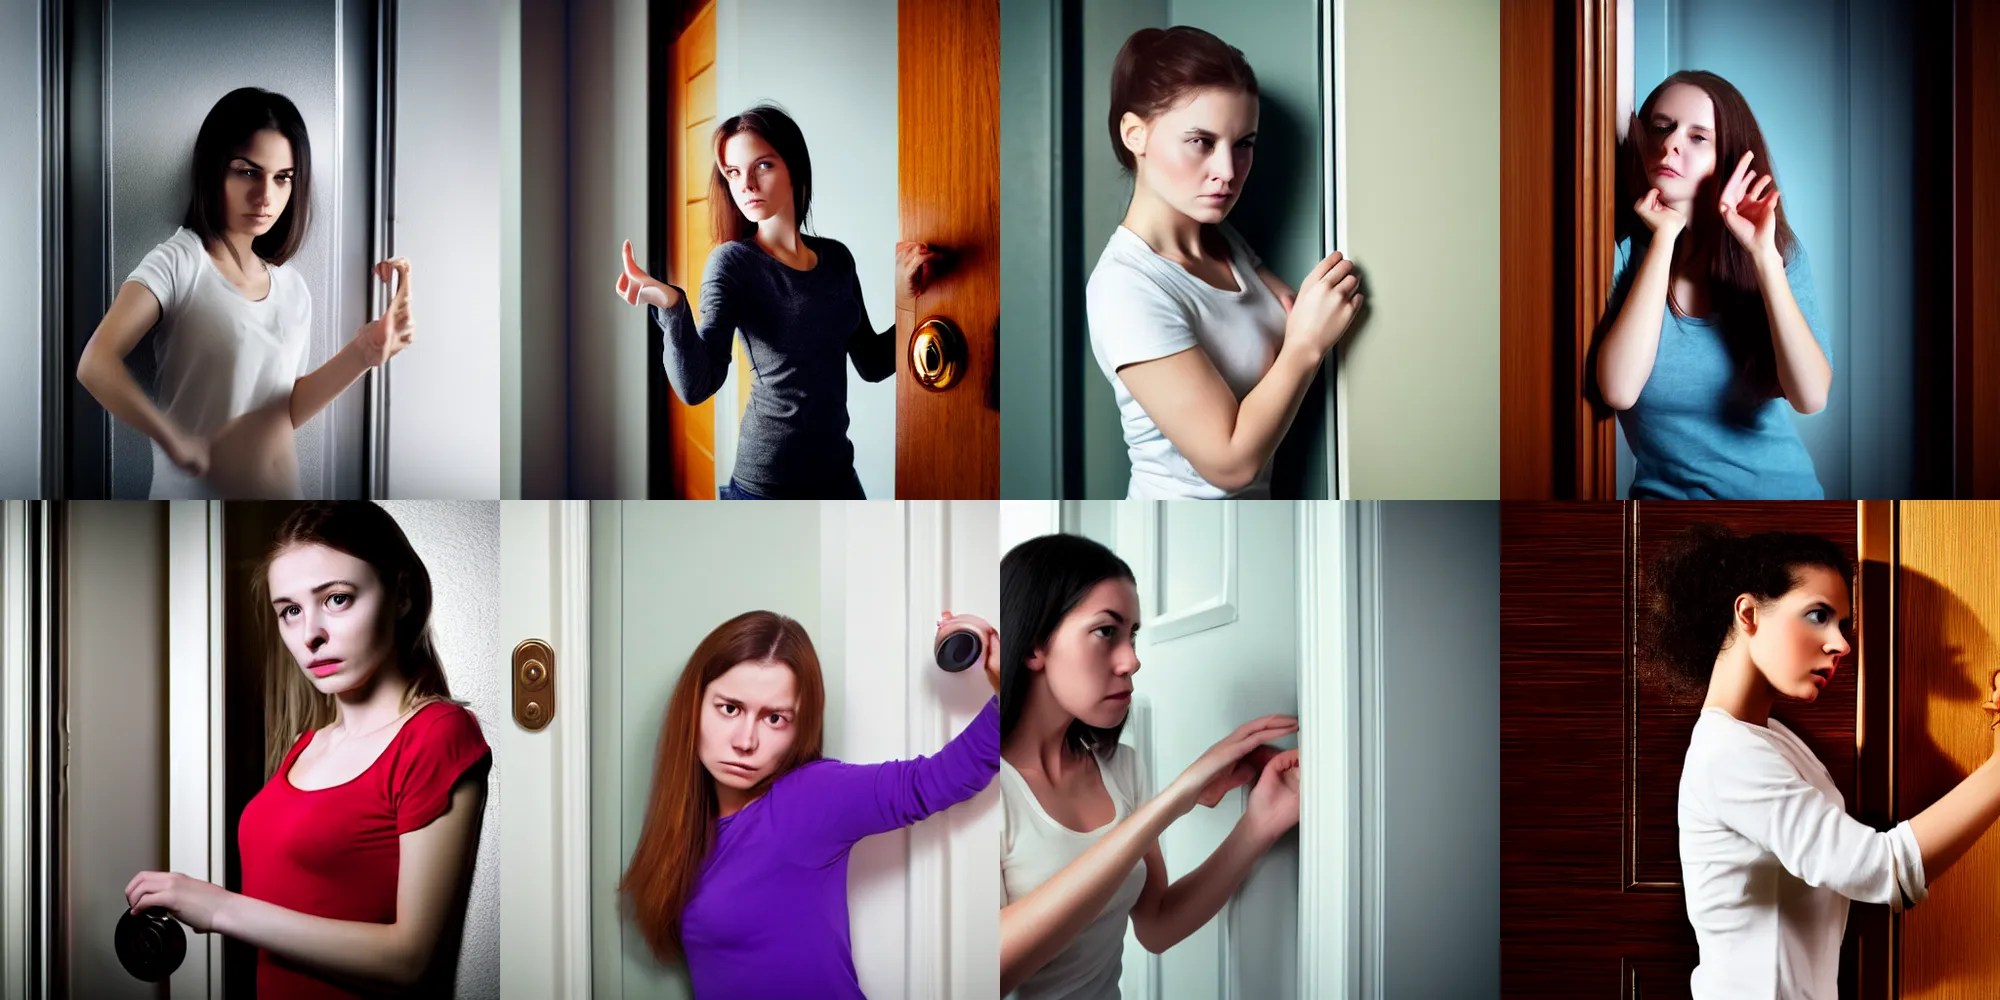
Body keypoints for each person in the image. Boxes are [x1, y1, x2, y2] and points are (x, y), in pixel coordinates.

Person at [126, 501, 490, 997]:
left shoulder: (437, 734)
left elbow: (411, 960)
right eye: (290, 611)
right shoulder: (306, 746)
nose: (310, 635)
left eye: (337, 599)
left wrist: (219, 907)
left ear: (402, 594)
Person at [1653, 523, 2000, 997]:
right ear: (1748, 613)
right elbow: (1883, 869)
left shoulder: (1773, 741)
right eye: (1818, 615)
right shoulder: (1727, 753)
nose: (1841, 644)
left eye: (1842, 625)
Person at [620, 609, 999, 997]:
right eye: (730, 709)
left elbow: (936, 780)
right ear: (695, 705)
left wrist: (1008, 683)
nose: (745, 741)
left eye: (775, 719)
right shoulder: (686, 831)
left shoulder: (806, 798)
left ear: (799, 727)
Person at [998, 533, 1300, 998]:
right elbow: (993, 974)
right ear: (1034, 645)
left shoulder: (1121, 767)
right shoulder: (981, 790)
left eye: (1133, 635)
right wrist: (1177, 798)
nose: (1132, 661)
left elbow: (1157, 924)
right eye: (1106, 632)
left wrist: (1260, 823)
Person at [76, 87, 413, 499]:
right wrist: (171, 438)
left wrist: (363, 352)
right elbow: (95, 363)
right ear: (214, 170)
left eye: (283, 178)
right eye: (248, 172)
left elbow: (283, 410)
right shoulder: (180, 262)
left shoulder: (292, 288)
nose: (266, 196)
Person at [1085, 26, 1363, 498]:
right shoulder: (1125, 288)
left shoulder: (1222, 239)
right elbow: (1230, 464)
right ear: (1135, 134)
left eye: (1243, 143)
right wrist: (1305, 346)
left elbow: (1296, 309)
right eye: (1200, 141)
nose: (1228, 172)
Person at [613, 104, 938, 499]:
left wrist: (906, 301)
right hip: (767, 486)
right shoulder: (733, 263)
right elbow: (696, 385)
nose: (746, 184)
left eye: (762, 166)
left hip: (838, 475)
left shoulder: (837, 258)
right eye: (734, 172)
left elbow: (872, 363)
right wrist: (671, 306)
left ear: (793, 167)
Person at [1596, 71, 1829, 499]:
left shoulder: (1778, 253)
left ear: (1730, 158)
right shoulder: (1622, 254)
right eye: (1661, 128)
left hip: (1780, 505)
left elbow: (1810, 397)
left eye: (1698, 137)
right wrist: (1664, 238)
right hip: (1663, 514)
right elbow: (1619, 389)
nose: (1671, 143)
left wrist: (1763, 258)